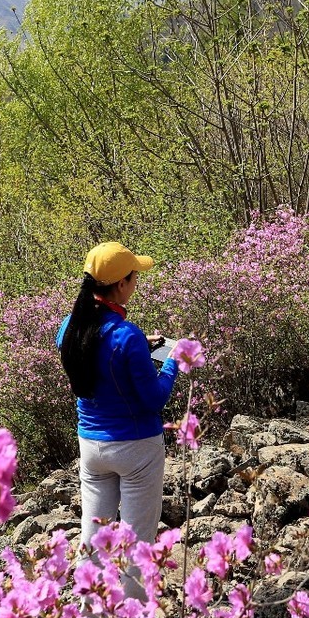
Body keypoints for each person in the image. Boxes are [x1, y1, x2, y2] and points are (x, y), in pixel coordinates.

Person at [57, 241, 179, 594]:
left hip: (92, 447)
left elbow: (94, 352)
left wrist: (143, 342)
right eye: (134, 276)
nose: (136, 282)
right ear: (121, 284)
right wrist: (171, 362)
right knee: (137, 540)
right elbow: (154, 398)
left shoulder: (69, 328)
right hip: (136, 448)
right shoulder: (126, 336)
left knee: (93, 536)